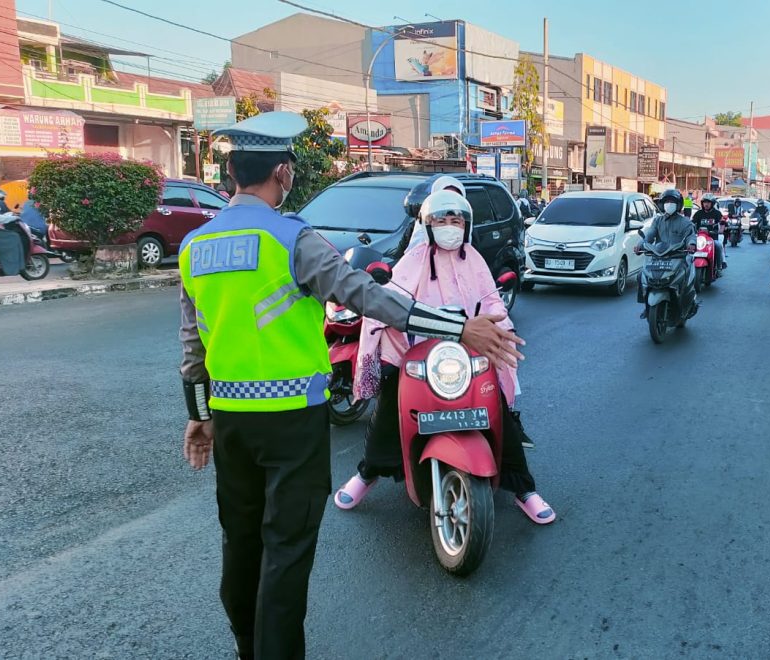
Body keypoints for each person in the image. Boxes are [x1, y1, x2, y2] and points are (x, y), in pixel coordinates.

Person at [176, 111, 524, 660]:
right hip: (292, 424)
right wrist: (460, 327)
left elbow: (193, 348)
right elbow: (369, 297)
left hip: (231, 422)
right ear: (284, 174)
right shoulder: (291, 238)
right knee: (286, 553)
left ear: (229, 175)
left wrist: (199, 416)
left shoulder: (195, 246)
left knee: (240, 547)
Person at [334, 190, 555, 524]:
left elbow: (492, 302)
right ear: (428, 223)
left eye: (457, 220)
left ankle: (523, 487)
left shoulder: (475, 261)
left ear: (465, 225)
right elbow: (391, 302)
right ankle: (368, 473)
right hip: (418, 356)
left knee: (499, 410)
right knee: (390, 406)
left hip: (467, 356)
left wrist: (501, 326)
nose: (450, 226)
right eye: (442, 220)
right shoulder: (415, 259)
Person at [635, 189, 697, 316]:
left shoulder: (685, 222)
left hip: (678, 257)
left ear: (678, 204)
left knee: (684, 276)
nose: (669, 204)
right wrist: (640, 245)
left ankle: (685, 304)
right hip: (659, 257)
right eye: (667, 202)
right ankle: (647, 304)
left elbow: (691, 236)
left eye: (672, 202)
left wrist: (691, 245)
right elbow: (649, 236)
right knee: (641, 275)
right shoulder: (657, 221)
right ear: (662, 204)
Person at [404, 174, 465, 254]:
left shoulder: (467, 228)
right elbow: (403, 257)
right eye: (445, 197)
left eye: (455, 197)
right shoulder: (419, 226)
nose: (450, 202)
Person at [691, 193, 726, 272]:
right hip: (700, 238)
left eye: (708, 202)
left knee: (718, 246)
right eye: (704, 202)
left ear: (712, 203)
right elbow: (692, 223)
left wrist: (721, 230)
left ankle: (719, 266)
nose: (706, 204)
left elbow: (722, 223)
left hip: (712, 238)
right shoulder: (698, 213)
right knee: (690, 246)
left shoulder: (717, 213)